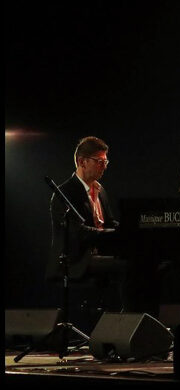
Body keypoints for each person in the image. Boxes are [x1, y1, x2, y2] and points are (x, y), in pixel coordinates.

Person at [46, 136, 127, 319]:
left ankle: (135, 320)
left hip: (98, 255)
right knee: (126, 266)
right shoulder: (64, 193)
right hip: (76, 259)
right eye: (100, 161)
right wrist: (112, 233)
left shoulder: (100, 190)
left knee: (141, 262)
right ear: (82, 162)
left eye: (106, 161)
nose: (104, 166)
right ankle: (123, 320)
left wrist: (129, 229)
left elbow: (110, 222)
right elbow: (78, 233)